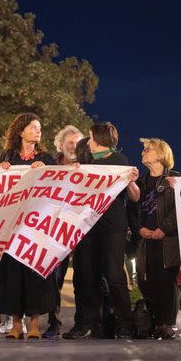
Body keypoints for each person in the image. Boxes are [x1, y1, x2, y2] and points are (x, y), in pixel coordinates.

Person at [63, 122, 139, 339]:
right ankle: (86, 324)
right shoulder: (85, 161)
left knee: (114, 276)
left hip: (112, 227)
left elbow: (135, 196)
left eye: (90, 136)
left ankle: (125, 323)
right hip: (86, 226)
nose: (88, 140)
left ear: (99, 139)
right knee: (84, 275)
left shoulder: (119, 162)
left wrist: (132, 182)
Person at [0, 113, 58, 339]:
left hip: (35, 227)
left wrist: (47, 170)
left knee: (34, 274)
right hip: (11, 227)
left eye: (39, 128)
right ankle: (16, 324)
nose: (38, 131)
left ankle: (34, 324)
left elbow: (55, 189)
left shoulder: (46, 157)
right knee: (12, 275)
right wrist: (1, 169)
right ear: (21, 131)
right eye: (33, 127)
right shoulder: (8, 157)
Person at [131, 138, 181, 340]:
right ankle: (154, 321)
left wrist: (164, 228)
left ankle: (167, 324)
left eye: (148, 149)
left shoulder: (175, 180)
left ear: (161, 155)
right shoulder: (140, 182)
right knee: (147, 281)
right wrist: (139, 229)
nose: (143, 152)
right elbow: (132, 209)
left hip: (168, 240)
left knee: (167, 282)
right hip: (145, 240)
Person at [42, 125, 85, 339]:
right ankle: (53, 321)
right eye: (70, 142)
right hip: (55, 229)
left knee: (84, 276)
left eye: (78, 142)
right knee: (54, 277)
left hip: (81, 228)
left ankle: (85, 323)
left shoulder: (88, 165)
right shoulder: (50, 164)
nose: (75, 147)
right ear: (60, 144)